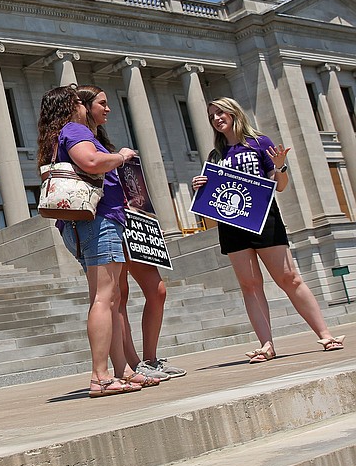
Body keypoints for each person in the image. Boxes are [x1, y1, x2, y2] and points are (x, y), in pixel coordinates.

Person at [191, 97, 344, 362]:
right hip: (231, 225)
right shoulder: (215, 155)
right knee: (250, 285)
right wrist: (201, 185)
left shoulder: (261, 143)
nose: (216, 118)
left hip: (265, 219)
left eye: (220, 112)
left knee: (289, 278)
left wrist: (280, 166)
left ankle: (325, 334)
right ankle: (266, 345)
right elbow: (216, 194)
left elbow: (280, 185)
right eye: (212, 115)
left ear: (234, 112)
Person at [37, 85, 156, 397]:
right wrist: (120, 156)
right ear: (71, 106)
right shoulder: (74, 130)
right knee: (104, 297)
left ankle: (123, 371)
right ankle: (100, 376)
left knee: (111, 297)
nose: (86, 106)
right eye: (81, 101)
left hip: (97, 221)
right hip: (96, 221)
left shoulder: (64, 132)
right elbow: (90, 163)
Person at [74, 86, 186, 381]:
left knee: (156, 290)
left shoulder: (99, 140)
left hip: (129, 221)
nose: (108, 109)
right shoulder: (79, 138)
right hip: (106, 220)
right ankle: (132, 364)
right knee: (116, 297)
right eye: (102, 103)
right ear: (85, 106)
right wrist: (119, 158)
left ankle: (149, 358)